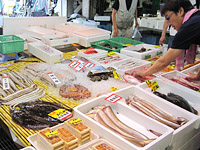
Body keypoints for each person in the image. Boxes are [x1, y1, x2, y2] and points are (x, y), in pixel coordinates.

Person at [134, 0, 200, 77]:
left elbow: (163, 62)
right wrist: (197, 77)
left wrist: (145, 73)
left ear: (180, 11)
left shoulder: (189, 27)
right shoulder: (196, 18)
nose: (169, 24)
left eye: (168, 18)